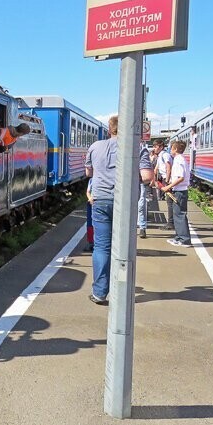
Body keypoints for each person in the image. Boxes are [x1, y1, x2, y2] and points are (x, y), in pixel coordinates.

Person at [85, 115, 153, 305]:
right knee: (124, 245)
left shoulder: (95, 146)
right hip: (125, 202)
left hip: (100, 201)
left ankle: (99, 292)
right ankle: (122, 291)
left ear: (110, 129)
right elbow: (147, 177)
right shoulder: (138, 147)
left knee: (101, 247)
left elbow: (88, 173)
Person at [163, 140, 192, 247]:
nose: (170, 150)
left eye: (171, 148)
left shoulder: (179, 160)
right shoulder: (179, 159)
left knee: (180, 215)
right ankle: (179, 237)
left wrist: (168, 186)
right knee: (177, 215)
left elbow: (181, 177)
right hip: (179, 190)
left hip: (180, 191)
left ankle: (184, 240)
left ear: (175, 149)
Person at [152, 139, 174, 230]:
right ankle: (171, 222)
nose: (154, 148)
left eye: (155, 146)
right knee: (169, 201)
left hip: (167, 179)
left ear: (161, 147)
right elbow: (157, 168)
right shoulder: (160, 156)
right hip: (163, 179)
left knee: (170, 202)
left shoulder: (165, 155)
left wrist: (167, 181)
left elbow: (168, 168)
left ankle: (171, 223)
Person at [84, 179, 95, 253]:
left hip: (98, 203)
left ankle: (93, 243)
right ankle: (91, 242)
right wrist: (90, 198)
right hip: (92, 203)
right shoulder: (91, 180)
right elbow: (88, 192)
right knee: (90, 224)